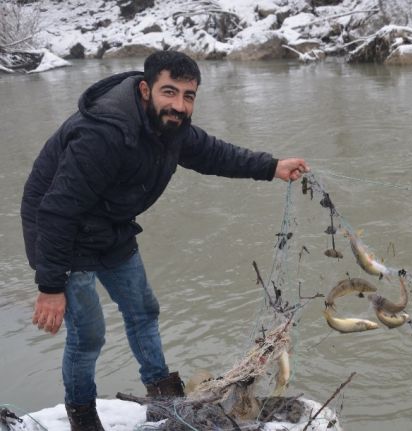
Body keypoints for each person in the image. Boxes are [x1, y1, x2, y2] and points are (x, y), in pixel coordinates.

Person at [20, 51, 309, 430]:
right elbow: (57, 210)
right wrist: (50, 285)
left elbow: (214, 154)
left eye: (188, 96)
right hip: (64, 231)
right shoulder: (105, 133)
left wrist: (271, 167)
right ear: (145, 89)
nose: (179, 104)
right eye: (169, 92)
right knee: (88, 334)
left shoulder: (170, 128)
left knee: (143, 310)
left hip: (110, 224)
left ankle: (164, 399)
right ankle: (82, 415)